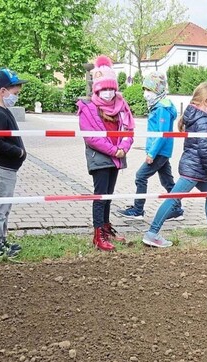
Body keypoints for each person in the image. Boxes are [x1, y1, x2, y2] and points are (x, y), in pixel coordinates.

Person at [142, 82, 207, 248]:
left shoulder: (193, 115)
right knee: (173, 199)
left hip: (194, 167)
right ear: (206, 100)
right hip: (195, 169)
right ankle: (152, 233)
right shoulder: (203, 121)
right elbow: (205, 150)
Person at [76, 55, 134, 251]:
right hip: (101, 158)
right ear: (97, 89)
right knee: (100, 196)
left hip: (117, 157)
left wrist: (123, 148)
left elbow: (128, 130)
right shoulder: (88, 108)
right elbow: (91, 137)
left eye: (111, 88)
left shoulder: (122, 106)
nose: (108, 92)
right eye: (104, 89)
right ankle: (97, 233)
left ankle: (106, 227)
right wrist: (114, 150)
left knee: (108, 195)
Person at [117, 72, 183, 220]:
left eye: (149, 90)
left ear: (158, 91)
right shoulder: (158, 106)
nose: (146, 94)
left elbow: (162, 134)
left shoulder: (162, 109)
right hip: (162, 151)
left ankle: (138, 210)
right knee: (167, 181)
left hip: (159, 151)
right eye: (145, 89)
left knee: (140, 176)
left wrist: (151, 153)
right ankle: (177, 209)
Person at [0, 68, 28, 258]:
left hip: (8, 169)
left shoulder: (4, 111)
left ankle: (1, 240)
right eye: (14, 93)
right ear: (2, 91)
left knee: (5, 208)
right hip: (3, 169)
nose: (15, 97)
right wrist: (18, 151)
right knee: (0, 208)